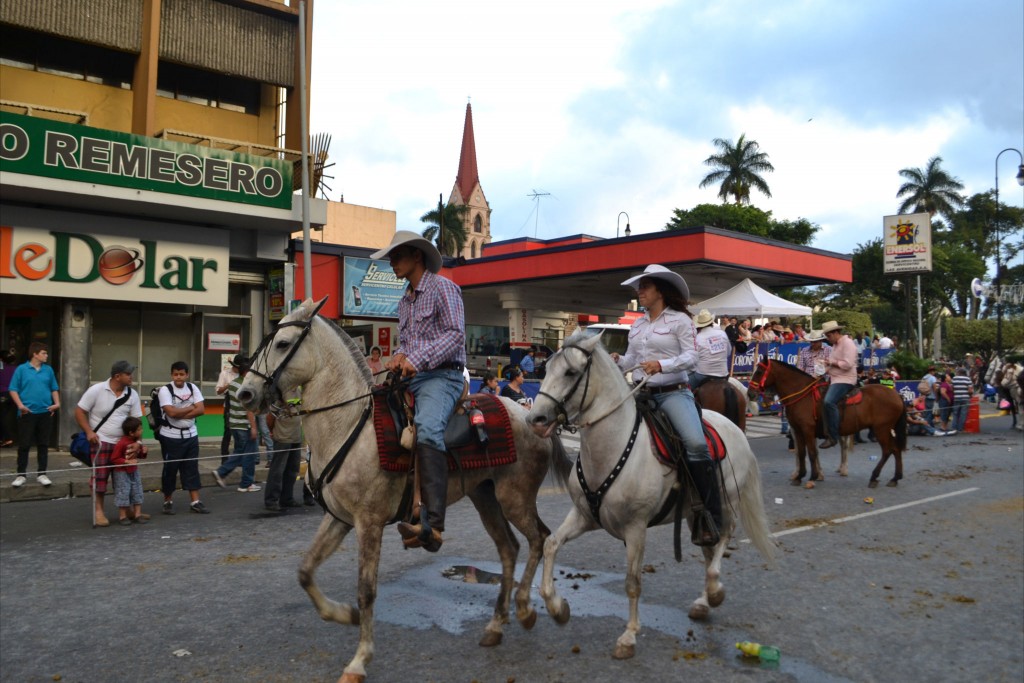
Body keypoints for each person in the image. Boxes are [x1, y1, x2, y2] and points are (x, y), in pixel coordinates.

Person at [610, 264, 722, 546]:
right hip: (640, 391)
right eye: (640, 287)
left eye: (645, 287)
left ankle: (709, 514)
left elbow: (692, 358)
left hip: (673, 393)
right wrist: (619, 361)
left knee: (696, 444)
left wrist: (662, 364)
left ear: (660, 289)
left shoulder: (681, 321)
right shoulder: (638, 323)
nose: (640, 291)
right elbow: (632, 358)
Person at [370, 230, 466, 553]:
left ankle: (433, 524)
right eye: (392, 257)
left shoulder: (444, 288)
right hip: (413, 378)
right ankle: (401, 504)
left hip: (443, 377)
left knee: (425, 428)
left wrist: (417, 359)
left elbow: (455, 335)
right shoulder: (404, 302)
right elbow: (408, 345)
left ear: (417, 257)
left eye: (398, 256)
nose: (393, 262)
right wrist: (398, 356)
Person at [75, 360, 143, 527]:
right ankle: (99, 511)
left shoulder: (132, 394)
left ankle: (126, 509)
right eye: (128, 374)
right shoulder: (97, 390)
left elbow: (136, 420)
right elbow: (79, 411)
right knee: (100, 478)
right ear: (117, 376)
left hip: (124, 443)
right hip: (101, 441)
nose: (131, 377)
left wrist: (138, 442)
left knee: (125, 478)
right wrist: (89, 432)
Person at [158, 361, 210, 515]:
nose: (178, 377)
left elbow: (201, 409)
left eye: (182, 374)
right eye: (175, 374)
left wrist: (180, 411)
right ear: (171, 375)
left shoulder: (193, 388)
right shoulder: (165, 390)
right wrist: (190, 408)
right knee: (170, 470)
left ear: (187, 375)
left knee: (191, 468)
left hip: (191, 435)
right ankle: (167, 501)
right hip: (171, 436)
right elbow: (171, 413)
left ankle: (195, 501)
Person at [8, 342, 60, 488]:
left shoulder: (48, 370)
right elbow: (13, 389)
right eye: (44, 353)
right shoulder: (21, 369)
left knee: (43, 444)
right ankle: (21, 474)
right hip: (27, 412)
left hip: (45, 411)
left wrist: (57, 403)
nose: (46, 356)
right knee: (24, 444)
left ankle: (42, 473)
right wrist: (20, 405)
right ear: (35, 354)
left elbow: (54, 388)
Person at [213, 356, 261, 493]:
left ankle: (222, 472)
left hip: (234, 423)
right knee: (249, 455)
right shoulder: (246, 386)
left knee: (240, 452)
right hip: (244, 424)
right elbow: (249, 409)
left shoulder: (233, 383)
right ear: (247, 372)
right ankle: (246, 483)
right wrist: (254, 427)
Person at [819, 320, 858, 449]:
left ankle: (833, 436)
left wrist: (831, 362)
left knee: (828, 402)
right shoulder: (836, 345)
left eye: (829, 336)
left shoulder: (848, 343)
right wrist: (823, 369)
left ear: (836, 332)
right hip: (834, 378)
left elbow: (848, 364)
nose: (828, 339)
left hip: (845, 379)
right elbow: (833, 363)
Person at [264, 389, 303, 512]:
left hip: (296, 437)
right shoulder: (280, 394)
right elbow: (270, 417)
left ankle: (287, 498)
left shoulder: (300, 392)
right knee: (277, 471)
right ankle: (271, 500)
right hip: (282, 437)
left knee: (292, 470)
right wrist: (272, 432)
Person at [110, 416, 148, 525]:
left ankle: (138, 514)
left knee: (137, 490)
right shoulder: (121, 443)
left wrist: (144, 451)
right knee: (123, 492)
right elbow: (114, 458)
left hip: (134, 470)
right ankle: (122, 516)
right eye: (139, 429)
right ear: (131, 433)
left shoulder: (136, 443)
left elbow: (140, 455)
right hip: (122, 472)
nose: (142, 431)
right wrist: (127, 462)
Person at [689, 309, 730, 391]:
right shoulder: (722, 334)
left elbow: (693, 360)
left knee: (684, 389)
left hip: (703, 375)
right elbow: (728, 352)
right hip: (723, 374)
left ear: (699, 325)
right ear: (711, 322)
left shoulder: (698, 338)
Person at [216, 354, 244, 459]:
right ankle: (224, 456)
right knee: (228, 431)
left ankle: (238, 456)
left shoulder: (243, 375)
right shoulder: (225, 374)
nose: (237, 369)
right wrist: (229, 385)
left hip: (241, 406)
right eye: (236, 367)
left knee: (239, 433)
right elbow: (218, 391)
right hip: (229, 405)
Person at [0, 352, 18, 448]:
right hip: (13, 394)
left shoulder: (1, 369)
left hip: (2, 393)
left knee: (2, 417)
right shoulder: (15, 369)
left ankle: (7, 438)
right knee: (8, 416)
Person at [949, 367, 973, 433]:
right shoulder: (968, 379)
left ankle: (953, 428)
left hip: (956, 397)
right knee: (963, 414)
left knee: (955, 413)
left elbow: (951, 388)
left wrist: (955, 392)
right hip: (965, 398)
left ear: (958, 372)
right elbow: (970, 390)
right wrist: (970, 395)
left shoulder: (954, 378)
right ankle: (960, 428)